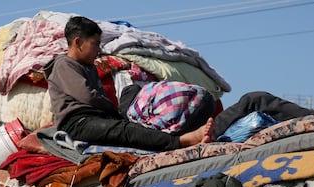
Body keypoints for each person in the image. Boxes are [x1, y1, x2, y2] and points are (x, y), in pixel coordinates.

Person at [44, 15, 215, 152]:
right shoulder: (64, 64)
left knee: (131, 97)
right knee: (125, 130)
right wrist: (114, 111)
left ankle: (174, 130)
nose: (98, 49)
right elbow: (88, 97)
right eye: (95, 44)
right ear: (78, 42)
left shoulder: (89, 66)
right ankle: (180, 141)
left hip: (97, 117)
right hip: (78, 122)